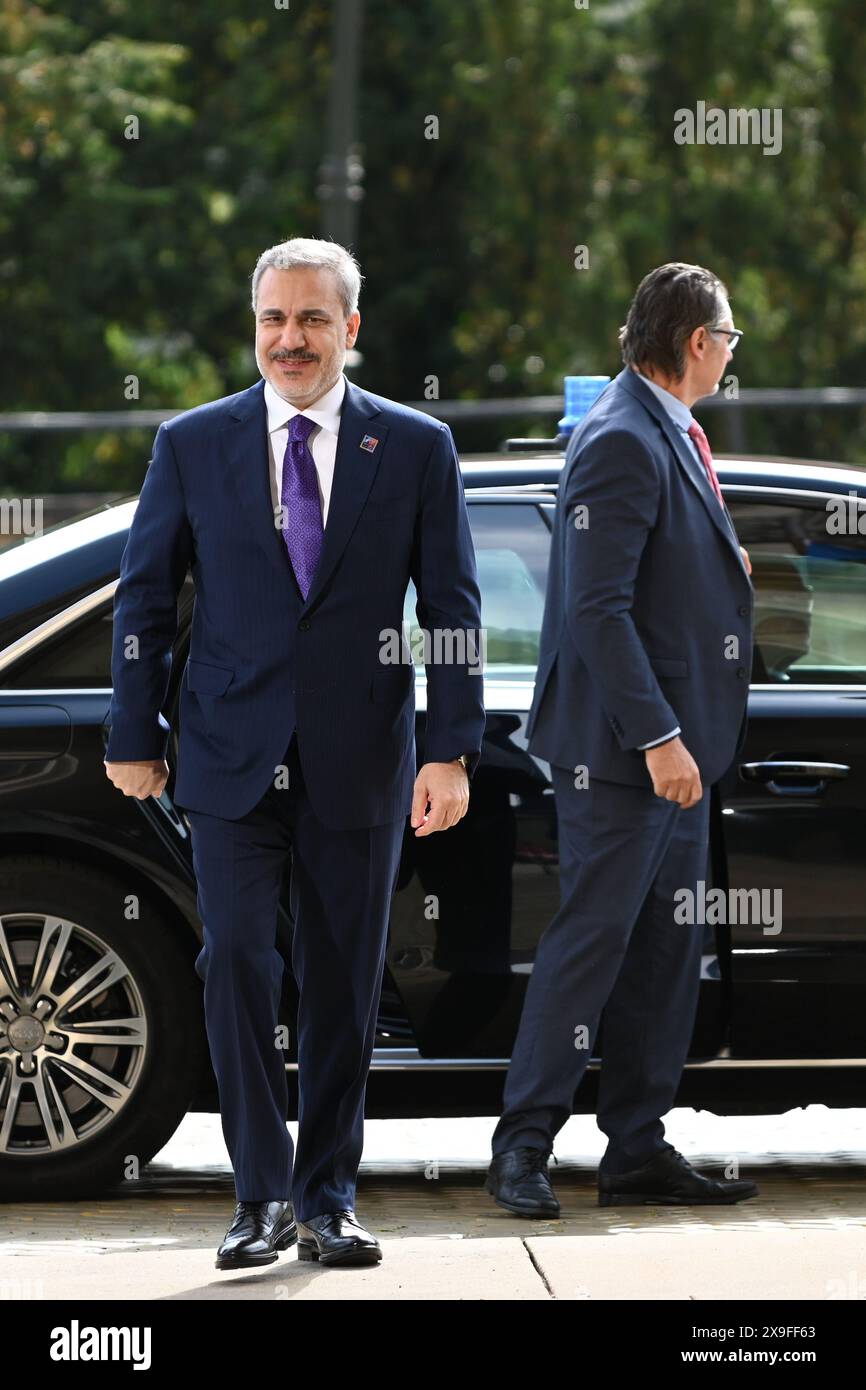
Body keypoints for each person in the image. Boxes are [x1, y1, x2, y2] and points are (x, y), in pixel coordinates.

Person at [104, 237, 485, 1268]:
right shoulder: (192, 442)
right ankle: (258, 1196)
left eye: (313, 319)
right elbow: (145, 596)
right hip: (226, 756)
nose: (290, 339)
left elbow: (450, 607)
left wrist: (449, 749)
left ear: (350, 329)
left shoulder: (413, 447)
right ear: (254, 328)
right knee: (234, 956)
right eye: (274, 319)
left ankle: (327, 1197)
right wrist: (133, 732)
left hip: (361, 759)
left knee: (340, 979)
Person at [485, 262, 759, 1216]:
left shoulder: (662, 428)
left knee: (660, 958)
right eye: (728, 337)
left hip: (674, 759)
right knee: (590, 949)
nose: (731, 354)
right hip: (627, 755)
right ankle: (522, 1147)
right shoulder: (622, 438)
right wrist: (660, 738)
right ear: (695, 342)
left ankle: (636, 1148)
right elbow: (598, 614)